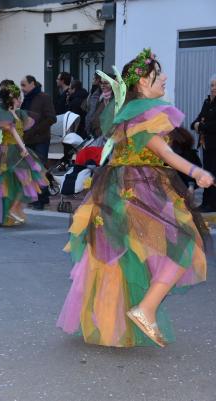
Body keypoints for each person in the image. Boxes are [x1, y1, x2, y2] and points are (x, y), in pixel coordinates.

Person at [57, 49, 213, 348]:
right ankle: (145, 308)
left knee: (132, 255)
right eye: (157, 75)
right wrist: (197, 171)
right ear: (141, 83)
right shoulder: (143, 116)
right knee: (184, 244)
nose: (164, 78)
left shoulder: (129, 114)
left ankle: (121, 318)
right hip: (139, 189)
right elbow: (165, 153)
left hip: (128, 187)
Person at [0, 85, 48, 226]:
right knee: (9, 183)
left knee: (19, 182)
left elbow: (20, 130)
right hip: (10, 151)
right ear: (11, 99)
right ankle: (8, 211)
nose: (20, 100)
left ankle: (11, 211)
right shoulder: (4, 115)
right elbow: (13, 133)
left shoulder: (19, 113)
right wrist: (23, 148)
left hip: (17, 149)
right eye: (18, 98)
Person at [20, 75, 57, 209]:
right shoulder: (27, 99)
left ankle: (40, 199)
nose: (22, 88)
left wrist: (36, 129)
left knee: (38, 169)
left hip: (40, 139)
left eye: (24, 85)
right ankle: (42, 195)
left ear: (32, 84)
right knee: (31, 169)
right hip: (28, 139)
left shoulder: (43, 97)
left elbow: (51, 118)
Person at [192, 74, 216, 213]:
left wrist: (200, 126)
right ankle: (206, 202)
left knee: (213, 172)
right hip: (207, 145)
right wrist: (196, 124)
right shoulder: (207, 102)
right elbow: (198, 119)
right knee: (207, 172)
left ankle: (212, 204)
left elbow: (213, 125)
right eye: (212, 85)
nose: (214, 88)